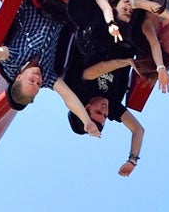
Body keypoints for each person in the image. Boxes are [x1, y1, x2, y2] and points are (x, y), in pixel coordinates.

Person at [0, 0, 92, 120]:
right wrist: (86, 121)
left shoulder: (12, 64)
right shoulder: (47, 76)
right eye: (38, 83)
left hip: (38, 2)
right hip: (63, 11)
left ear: (18, 77)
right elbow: (68, 96)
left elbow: (0, 53)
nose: (37, 78)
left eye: (32, 80)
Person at [62, 20, 147, 176]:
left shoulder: (78, 91)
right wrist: (132, 161)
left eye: (98, 112)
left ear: (86, 107)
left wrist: (126, 62)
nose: (105, 110)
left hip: (102, 30)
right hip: (128, 40)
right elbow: (138, 130)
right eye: (105, 116)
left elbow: (99, 68)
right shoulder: (112, 105)